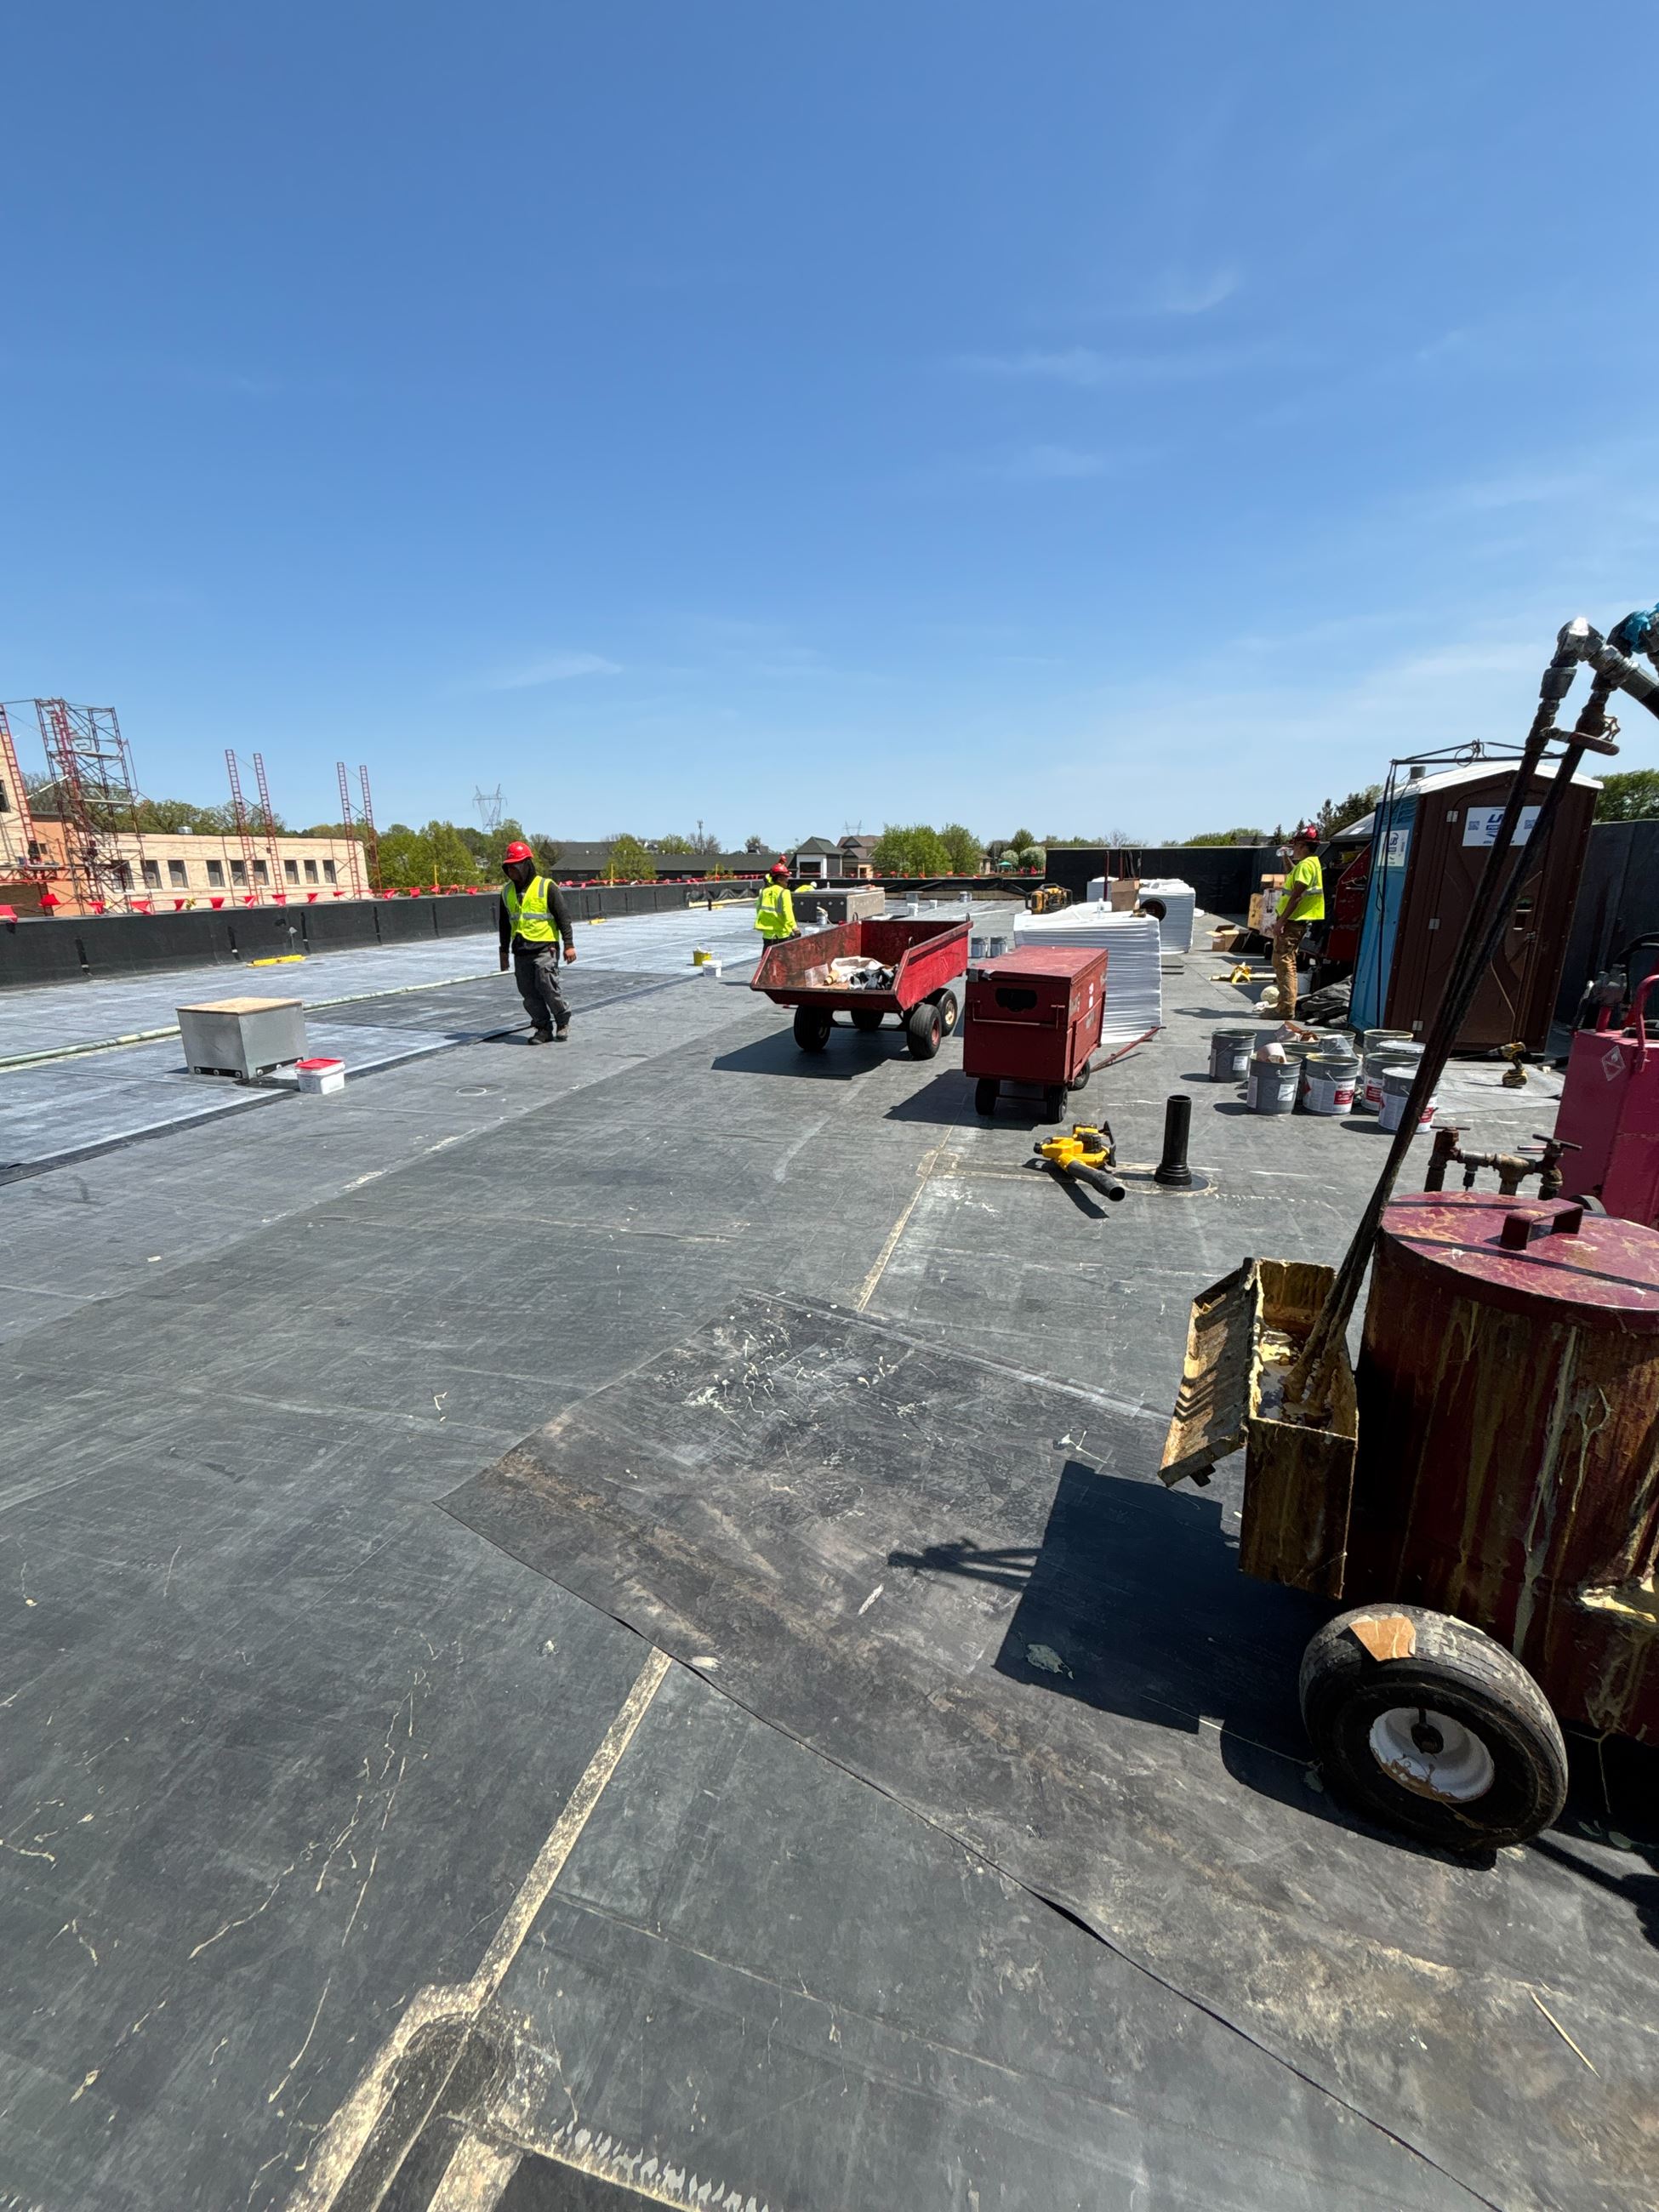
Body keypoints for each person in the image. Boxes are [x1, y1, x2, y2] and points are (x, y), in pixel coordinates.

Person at [498, 840, 577, 1042]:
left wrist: (569, 945)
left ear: (526, 865)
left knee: (547, 984)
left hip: (545, 947)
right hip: (521, 949)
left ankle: (562, 1020)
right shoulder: (507, 892)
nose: (511, 871)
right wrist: (504, 952)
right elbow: (504, 924)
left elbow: (563, 917)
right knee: (528, 993)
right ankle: (542, 1028)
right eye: (508, 867)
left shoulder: (546, 887)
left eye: (515, 866)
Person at [1272, 824, 1324, 1019]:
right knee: (1285, 961)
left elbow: (1296, 896)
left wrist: (1280, 922)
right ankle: (1285, 1006)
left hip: (1293, 921)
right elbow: (1295, 875)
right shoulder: (1310, 864)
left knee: (1284, 962)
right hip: (1296, 921)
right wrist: (1286, 858)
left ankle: (1285, 1009)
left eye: (1295, 846)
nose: (1293, 849)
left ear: (1303, 845)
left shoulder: (1306, 866)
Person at [754, 858, 797, 944]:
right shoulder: (784, 892)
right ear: (779, 879)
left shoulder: (764, 892)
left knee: (767, 956)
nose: (787, 881)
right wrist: (795, 928)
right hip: (782, 934)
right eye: (786, 878)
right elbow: (788, 912)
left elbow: (758, 909)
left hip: (767, 935)